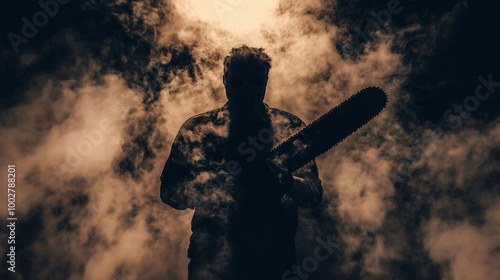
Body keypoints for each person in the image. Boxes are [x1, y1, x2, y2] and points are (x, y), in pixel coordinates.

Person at [160, 46, 323, 280]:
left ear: (266, 80)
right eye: (237, 83)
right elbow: (170, 191)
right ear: (225, 80)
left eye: (255, 82)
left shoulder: (289, 127)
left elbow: (314, 194)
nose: (246, 91)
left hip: (275, 260)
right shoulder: (197, 129)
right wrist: (216, 183)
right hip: (212, 260)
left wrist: (285, 181)